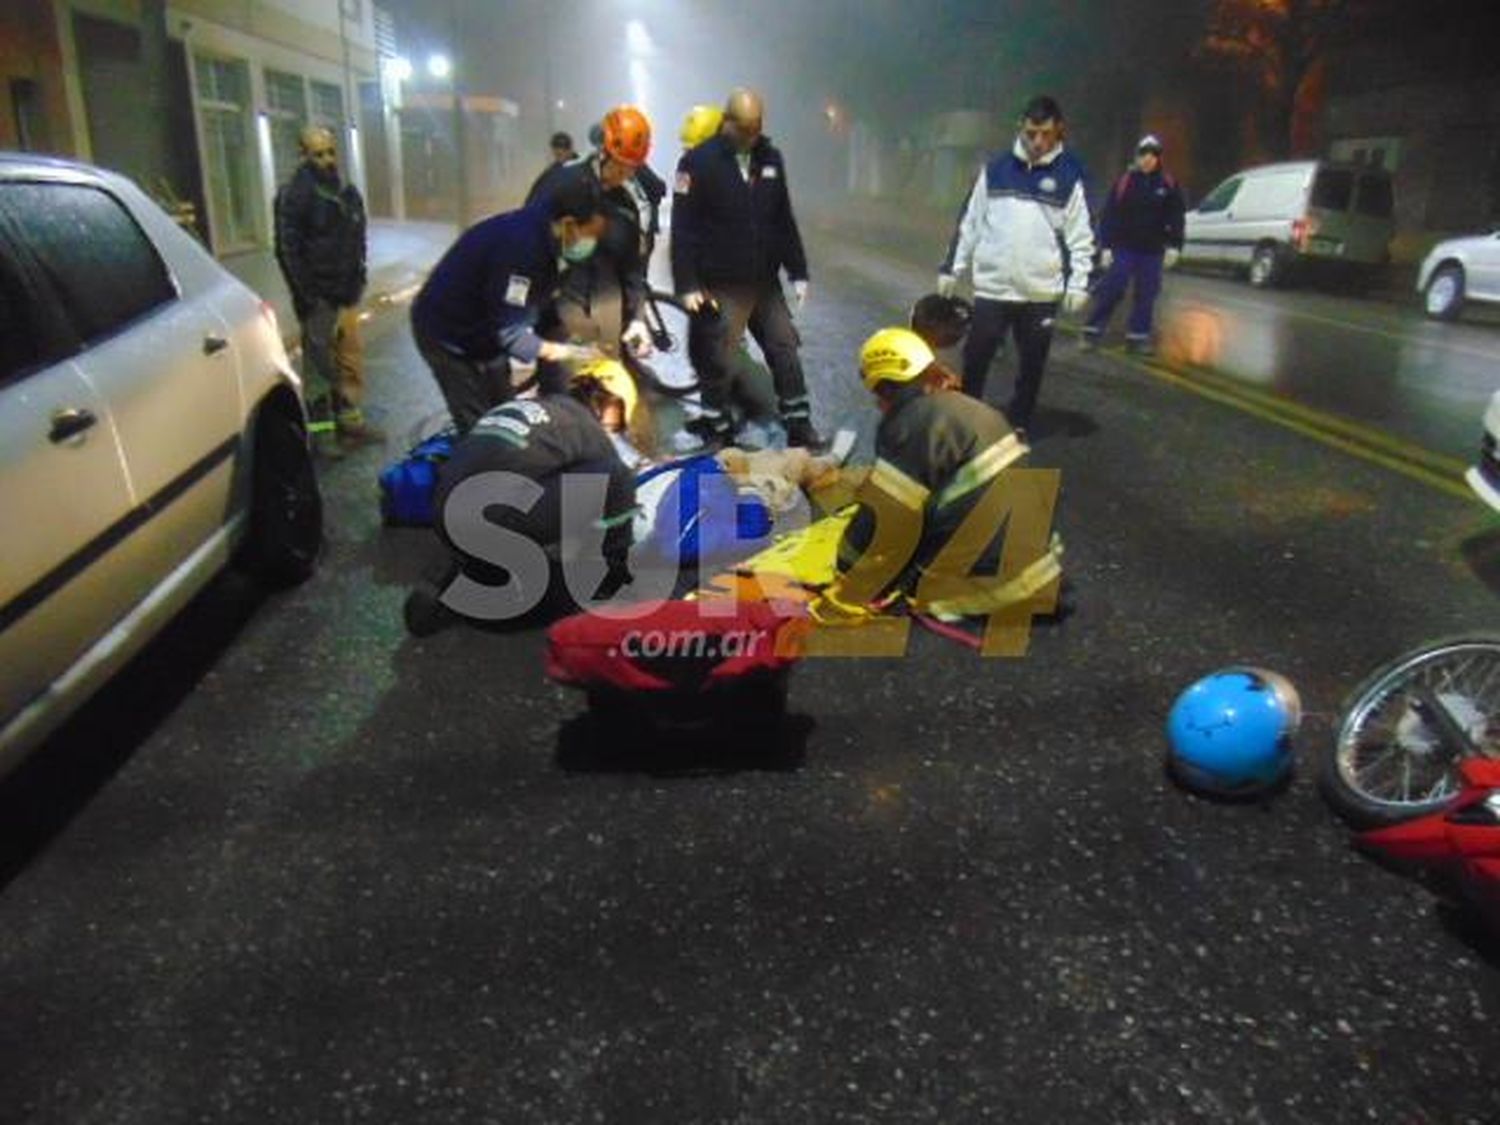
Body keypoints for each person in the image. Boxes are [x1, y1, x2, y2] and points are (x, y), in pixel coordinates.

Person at [812, 327, 1063, 627]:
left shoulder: (913, 422)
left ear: (884, 387)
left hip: (992, 587)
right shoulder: (964, 407)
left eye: (876, 393)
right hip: (1042, 567)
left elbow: (885, 516)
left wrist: (846, 569)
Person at [404, 382, 637, 636]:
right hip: (491, 520)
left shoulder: (521, 408)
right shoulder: (584, 423)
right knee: (617, 476)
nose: (610, 432)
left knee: (496, 487)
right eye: (612, 427)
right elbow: (610, 472)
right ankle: (612, 577)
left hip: (442, 506)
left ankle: (448, 574)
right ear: (598, 407)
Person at [671, 87, 822, 450]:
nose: (751, 136)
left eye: (757, 128)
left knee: (784, 346)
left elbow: (783, 218)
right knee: (718, 355)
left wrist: (798, 271)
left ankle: (799, 423)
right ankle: (717, 428)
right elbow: (683, 227)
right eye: (745, 128)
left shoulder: (770, 158)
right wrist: (687, 282)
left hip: (763, 280)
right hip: (720, 281)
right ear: (728, 122)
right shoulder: (698, 163)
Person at [938, 95, 1095, 438]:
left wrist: (1079, 282)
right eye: (1031, 133)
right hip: (993, 288)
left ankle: (1019, 421)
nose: (1038, 142)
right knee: (977, 355)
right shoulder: (995, 170)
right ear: (1021, 129)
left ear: (1059, 132)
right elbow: (971, 222)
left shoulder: (1070, 176)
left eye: (1046, 135)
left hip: (1040, 292)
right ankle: (969, 419)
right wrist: (952, 268)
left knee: (1032, 362)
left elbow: (1082, 235)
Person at [410, 175, 607, 435]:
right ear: (569, 224)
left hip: (486, 331)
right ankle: (473, 469)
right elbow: (511, 334)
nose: (591, 244)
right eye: (590, 235)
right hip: (447, 336)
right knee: (482, 432)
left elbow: (540, 305)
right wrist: (564, 352)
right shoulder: (523, 250)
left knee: (507, 419)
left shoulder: (550, 234)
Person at [273, 125, 379, 455]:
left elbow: (356, 237)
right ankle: (321, 435)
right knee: (320, 367)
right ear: (304, 155)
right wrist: (306, 294)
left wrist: (357, 276)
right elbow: (288, 248)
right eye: (318, 154)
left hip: (345, 290)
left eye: (330, 151)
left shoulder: (345, 189)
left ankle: (350, 420)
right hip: (318, 295)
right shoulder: (295, 194)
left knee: (349, 359)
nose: (327, 159)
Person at [1082, 134, 1186, 355]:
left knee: (1147, 294)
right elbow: (1110, 214)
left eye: (1153, 155)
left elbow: (1176, 215)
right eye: (1144, 155)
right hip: (1124, 248)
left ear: (1158, 158)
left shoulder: (1168, 184)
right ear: (1137, 157)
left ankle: (1137, 338)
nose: (1148, 160)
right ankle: (1091, 332)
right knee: (1112, 288)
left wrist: (1175, 245)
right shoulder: (1125, 182)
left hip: (1152, 251)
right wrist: (1106, 246)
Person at [523, 131, 579, 206]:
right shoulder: (551, 172)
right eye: (557, 154)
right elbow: (535, 192)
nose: (560, 154)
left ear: (570, 150)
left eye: (563, 150)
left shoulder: (582, 167)